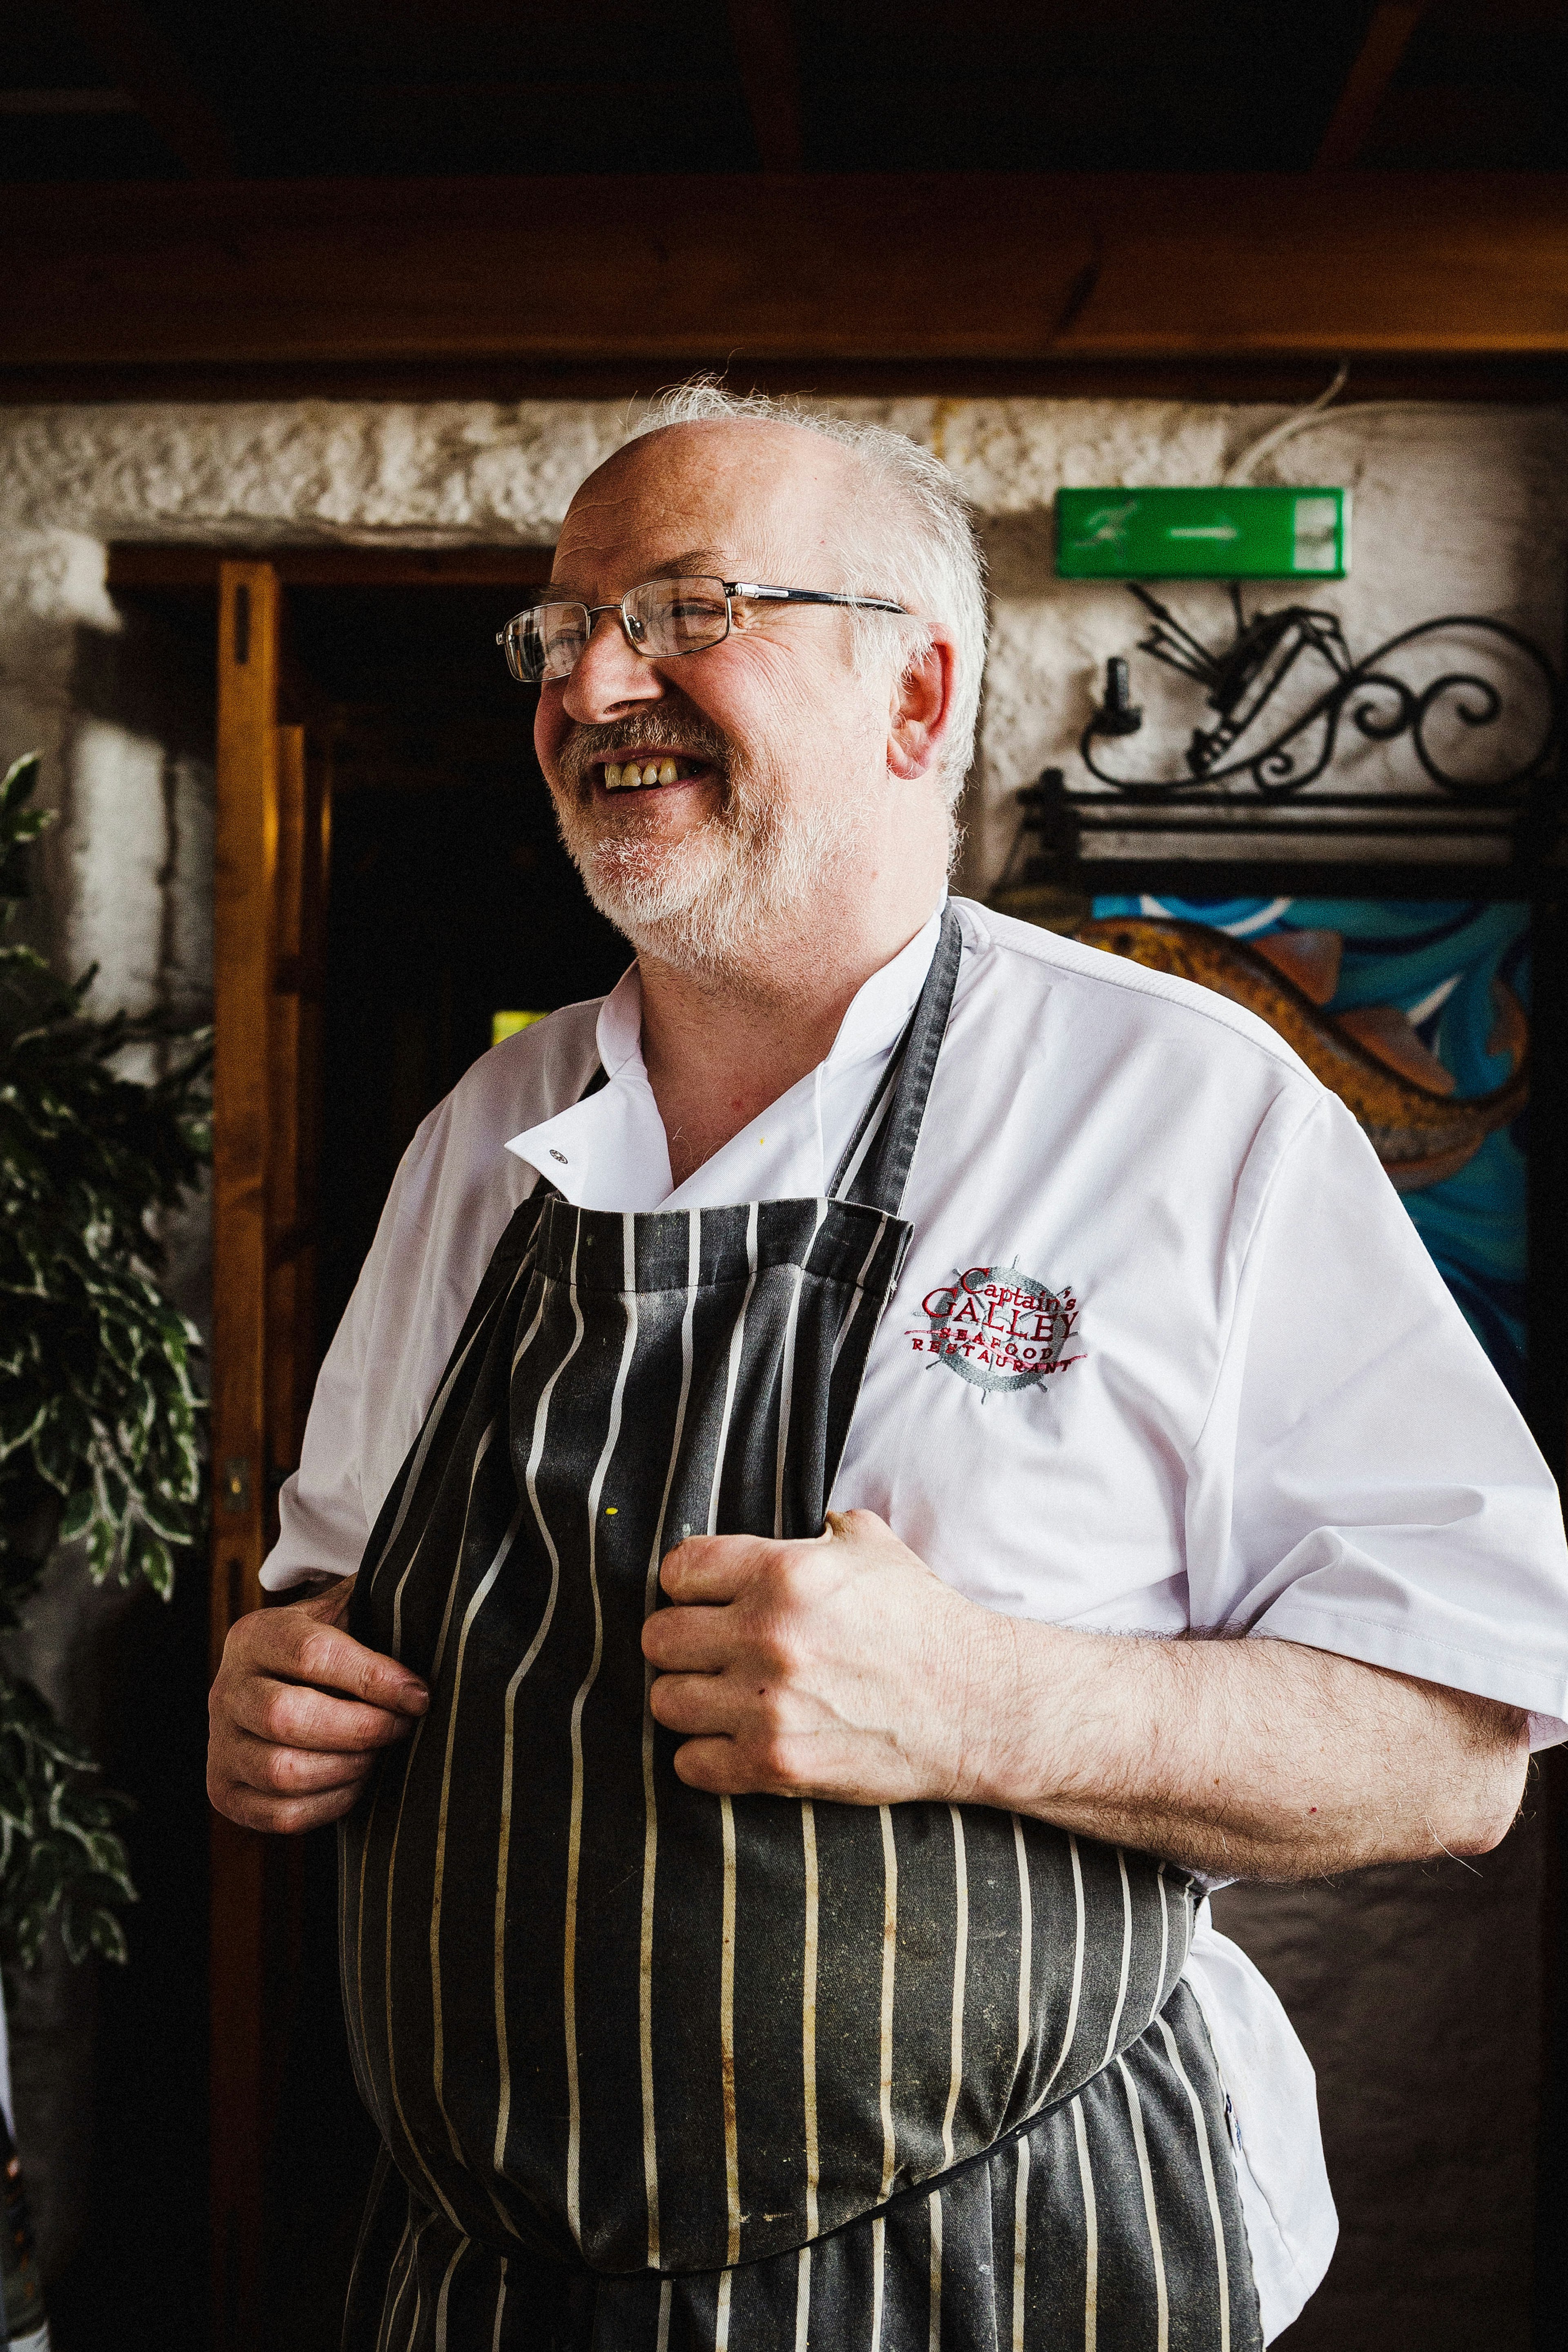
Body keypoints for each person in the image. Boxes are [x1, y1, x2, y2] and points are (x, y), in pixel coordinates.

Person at [208, 384, 1568, 2352]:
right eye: (560, 625)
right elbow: (323, 1608)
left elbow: (1456, 1742)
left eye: (687, 607)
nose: (591, 679)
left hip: (1021, 2272)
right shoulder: (479, 1136)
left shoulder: (1183, 1112)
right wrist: (279, 1691)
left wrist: (986, 1704)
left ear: (917, 701)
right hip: (491, 2286)